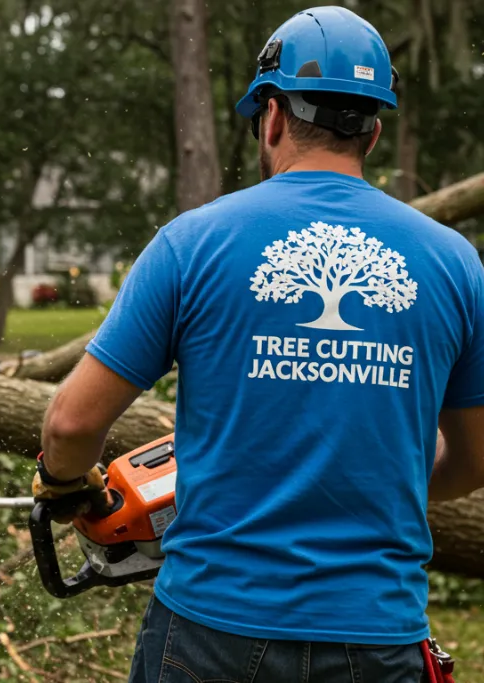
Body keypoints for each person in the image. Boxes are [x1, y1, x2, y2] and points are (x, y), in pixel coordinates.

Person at [32, 7, 484, 682]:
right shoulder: (455, 264)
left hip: (210, 632)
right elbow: (476, 459)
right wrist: (369, 479)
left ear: (271, 117)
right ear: (374, 131)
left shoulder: (193, 244)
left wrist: (66, 483)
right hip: (377, 636)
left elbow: (71, 423)